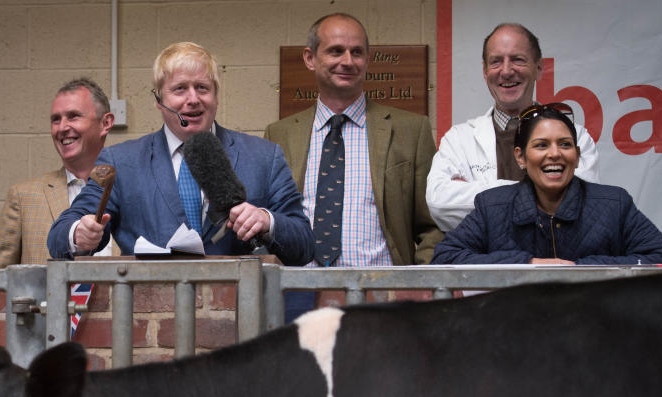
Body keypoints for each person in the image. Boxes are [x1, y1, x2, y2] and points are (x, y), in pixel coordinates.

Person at [47, 42, 314, 266]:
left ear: (216, 96)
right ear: (159, 100)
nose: (193, 99)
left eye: (202, 88)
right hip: (149, 317)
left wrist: (267, 221)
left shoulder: (263, 157)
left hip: (240, 317)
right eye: (180, 89)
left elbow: (304, 244)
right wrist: (79, 233)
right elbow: (59, 235)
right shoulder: (121, 162)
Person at [264, 13, 443, 267]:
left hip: (382, 294)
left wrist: (421, 283)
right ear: (310, 58)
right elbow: (269, 221)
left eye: (357, 52)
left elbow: (433, 226)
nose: (347, 61)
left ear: (368, 60)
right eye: (336, 51)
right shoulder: (279, 135)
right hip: (298, 291)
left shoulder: (411, 131)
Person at [431, 104, 662, 265]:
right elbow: (444, 258)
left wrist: (580, 269)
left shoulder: (615, 204)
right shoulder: (492, 206)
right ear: (520, 156)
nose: (554, 154)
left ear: (577, 154)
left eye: (565, 144)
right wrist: (529, 264)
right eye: (541, 145)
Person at [426, 23, 600, 232]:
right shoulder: (458, 139)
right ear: (484, 71)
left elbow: (580, 205)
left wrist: (485, 197)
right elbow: (439, 204)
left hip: (555, 261)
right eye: (496, 62)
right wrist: (542, 194)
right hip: (486, 264)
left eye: (517, 60)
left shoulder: (576, 137)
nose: (506, 71)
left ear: (539, 68)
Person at [0, 78, 115, 267]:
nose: (62, 128)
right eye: (56, 119)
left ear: (106, 123)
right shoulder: (23, 197)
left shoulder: (132, 189)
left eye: (73, 116)